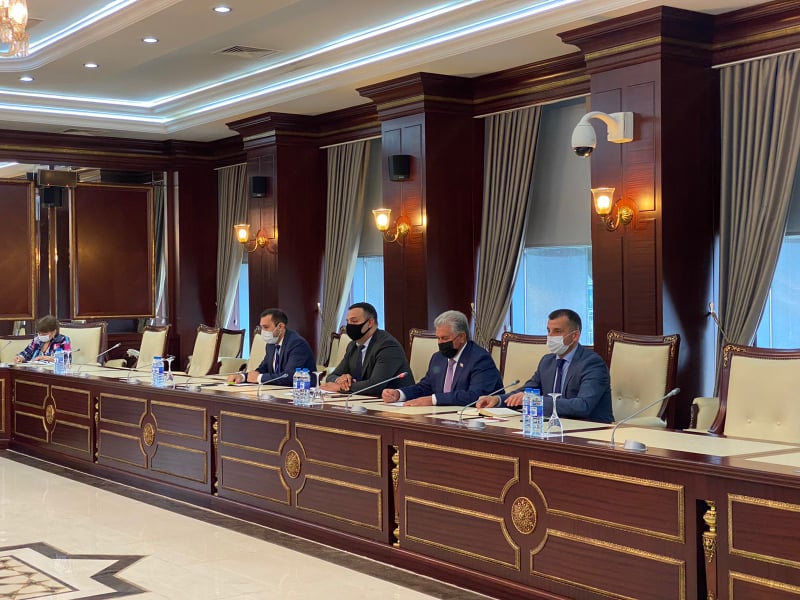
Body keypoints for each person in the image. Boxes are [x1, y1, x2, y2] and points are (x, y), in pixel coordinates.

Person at [476, 309, 613, 423]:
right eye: (548, 330)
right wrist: (498, 399)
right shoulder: (547, 362)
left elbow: (583, 406)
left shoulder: (592, 364)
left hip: (590, 430)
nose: (550, 336)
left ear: (575, 336)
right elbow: (527, 391)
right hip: (552, 427)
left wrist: (536, 401)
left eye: (557, 331)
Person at [381, 310, 503, 407]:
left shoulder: (480, 359)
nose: (440, 343)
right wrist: (399, 394)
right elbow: (426, 387)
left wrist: (433, 400)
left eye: (445, 338)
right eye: (438, 338)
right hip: (441, 417)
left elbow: (475, 395)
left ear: (461, 337)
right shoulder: (438, 358)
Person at [322, 302, 413, 396]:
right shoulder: (353, 346)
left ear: (370, 323)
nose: (349, 325)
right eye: (348, 321)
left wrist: (340, 387)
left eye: (354, 321)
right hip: (363, 399)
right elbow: (332, 376)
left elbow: (375, 386)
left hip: (394, 401)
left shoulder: (387, 345)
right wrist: (341, 380)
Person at [226, 308, 315, 386]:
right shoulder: (271, 344)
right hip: (277, 390)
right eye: (261, 327)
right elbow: (263, 368)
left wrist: (259, 378)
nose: (263, 331)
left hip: (302, 392)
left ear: (280, 327)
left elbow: (289, 376)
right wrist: (243, 377)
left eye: (266, 327)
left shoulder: (297, 344)